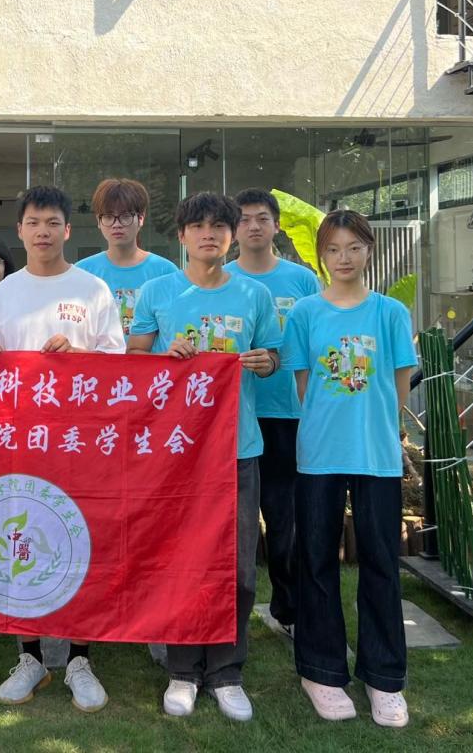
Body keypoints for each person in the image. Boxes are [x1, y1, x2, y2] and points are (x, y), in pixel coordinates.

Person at [127, 192, 281, 724]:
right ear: (182, 235)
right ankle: (182, 671)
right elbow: (133, 360)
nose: (209, 234)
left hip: (237, 448)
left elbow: (273, 356)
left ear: (232, 235)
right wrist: (162, 357)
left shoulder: (254, 294)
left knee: (238, 566)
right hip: (177, 452)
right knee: (180, 561)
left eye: (219, 226)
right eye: (198, 226)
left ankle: (226, 672)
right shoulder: (158, 291)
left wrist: (264, 362)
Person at [0, 184, 124, 713]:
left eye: (52, 222)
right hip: (21, 443)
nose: (42, 231)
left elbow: (117, 367)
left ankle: (81, 659)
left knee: (78, 542)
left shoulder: (93, 289)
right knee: (21, 540)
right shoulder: (3, 295)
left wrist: (79, 353)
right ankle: (30, 656)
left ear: (67, 229)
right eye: (33, 222)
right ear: (20, 230)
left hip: (79, 442)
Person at [281, 209, 416, 729]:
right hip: (319, 454)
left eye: (354, 248)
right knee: (316, 560)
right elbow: (304, 387)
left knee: (381, 563)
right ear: (321, 255)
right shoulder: (305, 314)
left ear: (368, 251)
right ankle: (321, 671)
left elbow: (399, 385)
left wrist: (379, 428)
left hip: (376, 456)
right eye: (334, 249)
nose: (344, 258)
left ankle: (384, 677)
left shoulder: (389, 313)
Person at [225, 188, 321, 640]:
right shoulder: (222, 280)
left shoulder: (302, 281)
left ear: (277, 225)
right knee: (230, 526)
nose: (253, 226)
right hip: (233, 420)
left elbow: (317, 344)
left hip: (289, 416)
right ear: (233, 229)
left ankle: (290, 610)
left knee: (286, 519)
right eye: (244, 219)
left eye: (262, 218)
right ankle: (225, 615)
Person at [76, 178, 179, 337]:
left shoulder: (165, 271)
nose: (116, 224)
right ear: (99, 221)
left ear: (141, 218)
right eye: (108, 216)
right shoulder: (82, 271)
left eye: (125, 216)